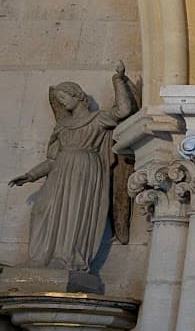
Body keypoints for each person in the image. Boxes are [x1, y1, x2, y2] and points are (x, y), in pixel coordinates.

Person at [8, 63, 138, 272]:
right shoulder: (62, 126)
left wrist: (118, 80)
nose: (62, 102)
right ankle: (39, 257)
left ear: (77, 95)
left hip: (85, 169)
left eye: (64, 97)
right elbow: (52, 160)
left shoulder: (97, 119)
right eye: (59, 99)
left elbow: (123, 110)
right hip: (60, 170)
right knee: (42, 208)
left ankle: (66, 257)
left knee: (74, 212)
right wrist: (31, 175)